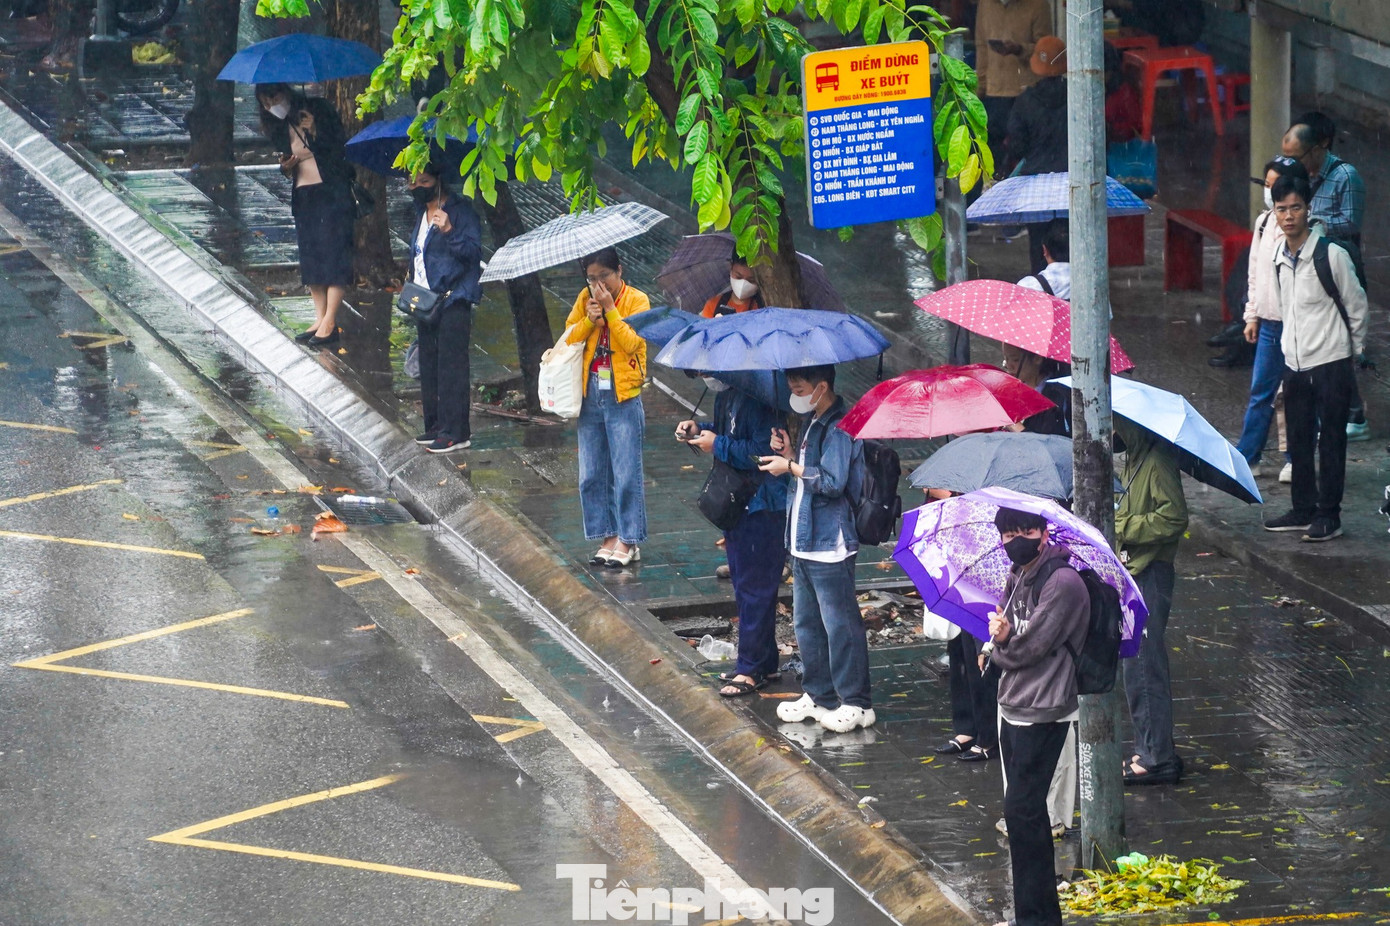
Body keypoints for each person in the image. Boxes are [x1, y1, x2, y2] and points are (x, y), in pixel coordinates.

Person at [980, 505, 1089, 926]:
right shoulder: (1019, 575)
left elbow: (1029, 648)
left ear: (1044, 534)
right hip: (1013, 704)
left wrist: (1002, 646)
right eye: (1009, 535)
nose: (1017, 542)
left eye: (1026, 532)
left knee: (1022, 811)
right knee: (1023, 816)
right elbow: (1010, 632)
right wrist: (997, 638)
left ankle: (1037, 917)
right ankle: (1035, 914)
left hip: (1045, 708)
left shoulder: (1063, 582)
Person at [762, 365, 874, 733]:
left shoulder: (840, 426)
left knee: (840, 625)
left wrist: (790, 466)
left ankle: (856, 702)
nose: (794, 392)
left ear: (822, 386)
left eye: (800, 387)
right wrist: (790, 454)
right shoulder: (813, 421)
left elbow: (832, 482)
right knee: (807, 624)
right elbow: (809, 471)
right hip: (804, 541)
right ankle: (819, 694)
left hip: (830, 544)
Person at [1261, 175, 1368, 543]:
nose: (1289, 216)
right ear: (1274, 213)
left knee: (1332, 441)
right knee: (1299, 441)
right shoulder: (1279, 256)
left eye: (1295, 208)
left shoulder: (1331, 255)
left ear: (1308, 209)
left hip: (1331, 362)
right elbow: (1284, 308)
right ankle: (1303, 508)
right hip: (1295, 364)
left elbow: (1357, 307)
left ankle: (1329, 515)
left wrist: (1353, 352)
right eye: (1282, 209)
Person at [677, 382, 788, 697]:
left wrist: (718, 444)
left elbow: (760, 453)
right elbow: (729, 432)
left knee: (755, 589)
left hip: (763, 506)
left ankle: (750, 669)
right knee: (745, 586)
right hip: (739, 504)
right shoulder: (727, 394)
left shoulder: (762, 399)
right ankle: (764, 660)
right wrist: (700, 430)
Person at [1283, 113, 1370, 440]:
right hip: (1305, 263)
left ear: (1320, 146)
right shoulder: (1299, 175)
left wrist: (1315, 223)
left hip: (1335, 264)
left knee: (1337, 341)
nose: (1292, 165)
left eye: (1297, 157)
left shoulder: (1346, 176)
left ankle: (1354, 415)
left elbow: (1351, 223)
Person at [564, 248, 651, 567]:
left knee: (626, 471)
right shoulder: (584, 299)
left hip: (622, 392)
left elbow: (633, 343)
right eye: (592, 278)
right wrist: (589, 320)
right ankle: (607, 535)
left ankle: (629, 539)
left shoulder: (637, 300)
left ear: (619, 271)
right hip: (590, 391)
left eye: (604, 276)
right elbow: (569, 338)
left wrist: (612, 312)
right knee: (591, 472)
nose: (599, 284)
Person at [1114, 417, 1188, 785]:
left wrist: (1122, 526)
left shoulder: (1157, 460)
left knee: (1144, 665)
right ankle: (1151, 747)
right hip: (1135, 570)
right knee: (1136, 665)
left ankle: (1157, 756)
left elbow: (1173, 517)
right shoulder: (1135, 459)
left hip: (1150, 572)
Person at [256, 84, 355, 347]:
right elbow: (287, 162)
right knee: (312, 256)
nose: (271, 106)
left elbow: (339, 149)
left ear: (286, 92)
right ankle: (320, 318)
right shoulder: (277, 125)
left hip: (332, 193)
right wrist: (285, 167)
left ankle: (330, 320)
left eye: (274, 98)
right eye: (265, 103)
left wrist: (315, 130)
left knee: (334, 254)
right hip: (304, 195)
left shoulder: (318, 110)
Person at [1232, 157, 1310, 477]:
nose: (1270, 192)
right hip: (1269, 324)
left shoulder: (1308, 229)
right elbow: (1255, 273)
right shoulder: (1264, 223)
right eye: (1266, 186)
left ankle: (1295, 458)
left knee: (1295, 394)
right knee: (1261, 392)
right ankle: (1248, 456)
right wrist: (1252, 315)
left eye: (1275, 185)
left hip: (1300, 325)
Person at [406, 165, 483, 454]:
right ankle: (436, 425)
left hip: (453, 298)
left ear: (439, 180)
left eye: (424, 181)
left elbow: (473, 254)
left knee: (452, 366)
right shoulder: (421, 212)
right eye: (412, 182)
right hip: (425, 299)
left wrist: (450, 230)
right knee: (429, 364)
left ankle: (456, 431)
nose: (417, 187)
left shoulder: (461, 212)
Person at [1008, 36, 1069, 273]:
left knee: (1039, 244)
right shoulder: (1079, 96)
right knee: (1072, 240)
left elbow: (1017, 147)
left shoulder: (1025, 102)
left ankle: (1043, 288)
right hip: (1071, 183)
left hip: (1037, 186)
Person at [973, 0, 1053, 156]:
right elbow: (981, 48)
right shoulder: (985, 4)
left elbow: (1045, 52)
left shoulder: (1038, 5)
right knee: (994, 155)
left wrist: (1020, 49)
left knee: (1026, 154)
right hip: (994, 94)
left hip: (1027, 93)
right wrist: (978, 92)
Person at [700, 250, 765, 318]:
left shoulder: (764, 307)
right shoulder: (713, 305)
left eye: (751, 280)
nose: (743, 284)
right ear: (731, 268)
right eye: (738, 277)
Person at [1103, 42, 1142, 144]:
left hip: (1119, 143)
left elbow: (1134, 125)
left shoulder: (1122, 94)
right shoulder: (1108, 88)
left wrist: (1110, 127)